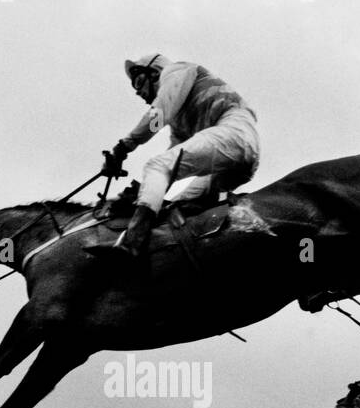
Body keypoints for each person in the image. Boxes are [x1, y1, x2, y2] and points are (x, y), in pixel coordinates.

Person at [85, 52, 259, 265]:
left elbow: (158, 117)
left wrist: (124, 147)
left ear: (155, 72)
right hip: (235, 156)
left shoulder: (177, 71)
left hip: (234, 134)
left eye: (139, 83)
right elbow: (173, 163)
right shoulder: (180, 121)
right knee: (175, 208)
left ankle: (132, 242)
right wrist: (141, 192)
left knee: (156, 166)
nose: (138, 93)